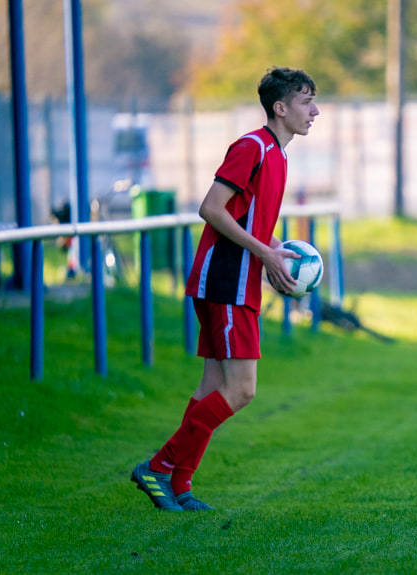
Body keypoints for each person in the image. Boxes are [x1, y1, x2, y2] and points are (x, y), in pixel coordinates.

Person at [131, 66, 319, 511]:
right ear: (280, 107)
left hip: (234, 281)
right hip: (226, 282)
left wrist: (280, 249)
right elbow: (211, 209)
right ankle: (157, 467)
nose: (315, 111)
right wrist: (265, 254)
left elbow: (249, 221)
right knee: (241, 390)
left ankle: (180, 486)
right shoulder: (252, 146)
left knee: (211, 387)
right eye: (306, 101)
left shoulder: (279, 153)